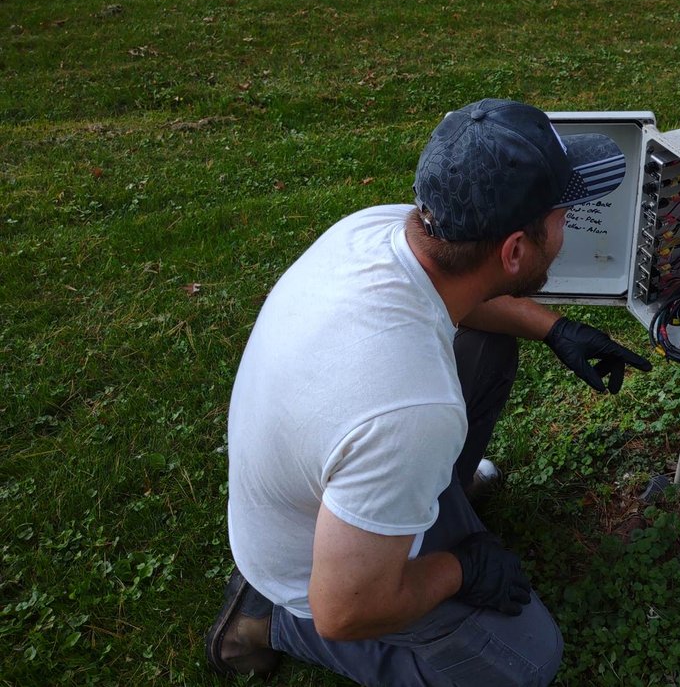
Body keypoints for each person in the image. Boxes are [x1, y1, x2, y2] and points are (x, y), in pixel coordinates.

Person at [205, 98, 652, 686]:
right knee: (526, 661)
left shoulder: (381, 228)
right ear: (515, 250)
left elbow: (473, 299)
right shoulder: (412, 411)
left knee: (488, 347)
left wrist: (555, 328)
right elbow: (345, 612)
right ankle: (269, 622)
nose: (568, 225)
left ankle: (430, 504)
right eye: (562, 213)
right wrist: (459, 570)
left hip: (310, 488)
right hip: (313, 569)